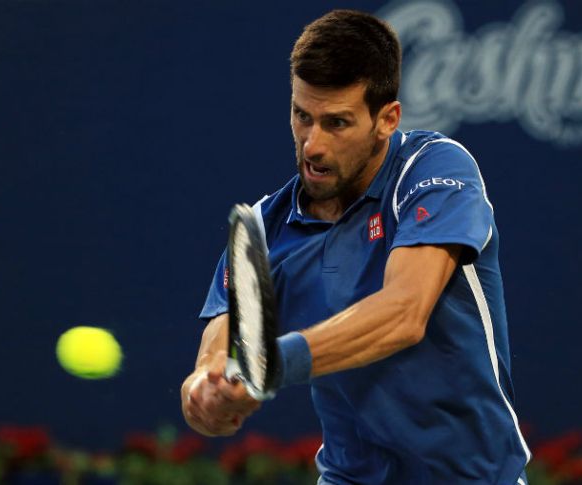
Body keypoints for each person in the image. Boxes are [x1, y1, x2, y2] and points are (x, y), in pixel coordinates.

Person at [181, 9, 530, 485]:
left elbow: (403, 313)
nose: (312, 145)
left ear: (387, 120)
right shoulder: (265, 228)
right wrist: (206, 394)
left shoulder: (432, 170)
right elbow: (216, 353)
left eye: (337, 123)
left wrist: (272, 364)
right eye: (302, 116)